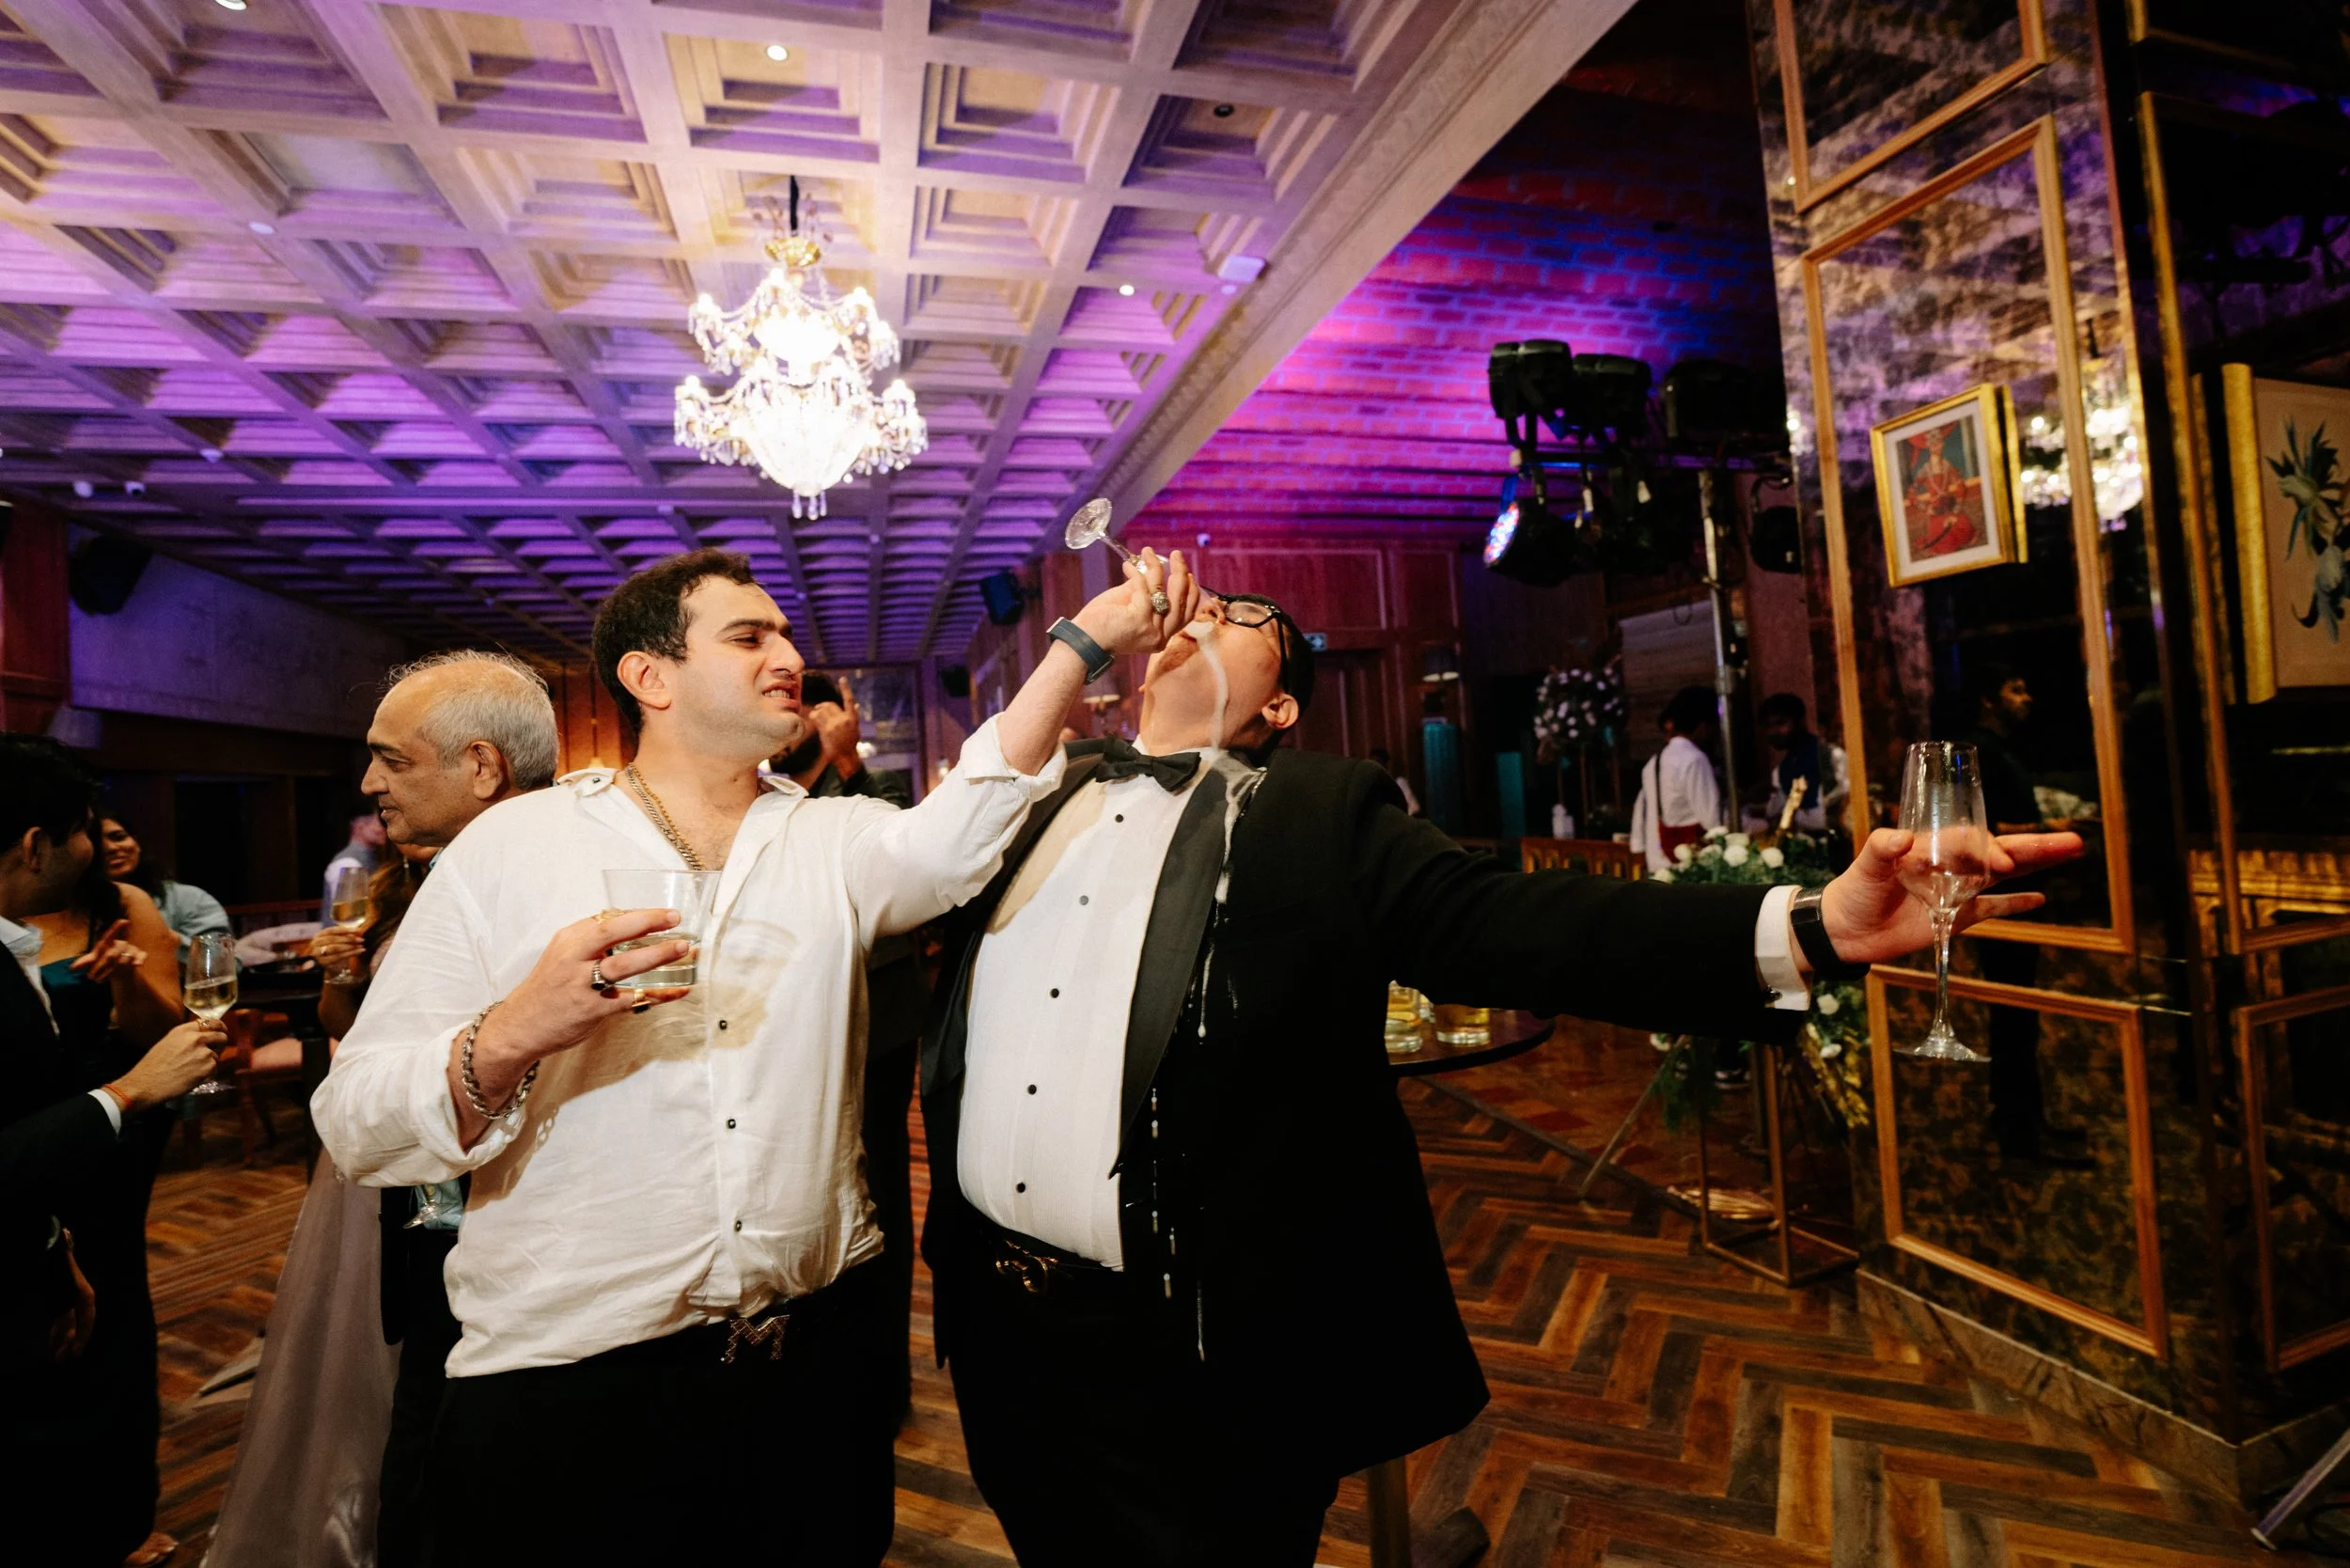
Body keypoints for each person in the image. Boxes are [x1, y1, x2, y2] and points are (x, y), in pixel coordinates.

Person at [916, 590, 2084, 1568]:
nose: (1202, 609)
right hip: (1001, 1338)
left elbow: (1529, 925)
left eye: (1241, 615)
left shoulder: (1319, 816)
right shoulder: (1022, 797)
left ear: (1279, 704)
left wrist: (1814, 926)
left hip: (1195, 1350)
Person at [312, 544, 1194, 1566]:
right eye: (748, 636)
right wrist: (516, 1027)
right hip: (571, 1388)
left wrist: (1081, 645)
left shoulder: (833, 839)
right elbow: (356, 1122)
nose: (788, 654)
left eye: (782, 632)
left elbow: (965, 824)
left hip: (808, 1371)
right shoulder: (509, 850)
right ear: (649, 678)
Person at [209, 651, 559, 1568]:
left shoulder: (548, 890)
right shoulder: (428, 882)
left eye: (391, 761)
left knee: (451, 1479)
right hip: (423, 1224)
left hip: (508, 1248)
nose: (369, 784)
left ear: (483, 767)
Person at [1, 736, 224, 1568]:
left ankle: (114, 1513)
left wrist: (127, 984)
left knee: (106, 1306)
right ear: (36, 842)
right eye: (83, 827)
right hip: (58, 1139)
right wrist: (123, 1094)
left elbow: (161, 1027)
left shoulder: (118, 905)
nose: (97, 844)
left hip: (87, 1163)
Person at [770, 673, 927, 1422]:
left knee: (881, 1195)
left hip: (881, 1030)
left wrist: (849, 760)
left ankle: (882, 1386)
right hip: (792, 1023)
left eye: (809, 705)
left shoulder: (877, 787)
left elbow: (909, 866)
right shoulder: (761, 789)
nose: (793, 717)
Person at [1959, 663, 2090, 1168]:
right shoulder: (1982, 751)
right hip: (2000, 897)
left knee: (2019, 1015)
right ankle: (2019, 1130)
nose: (2027, 697)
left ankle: (2021, 1118)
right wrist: (2051, 826)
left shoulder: (2007, 748)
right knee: (2012, 1014)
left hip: (2018, 893)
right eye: (2016, 688)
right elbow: (1979, 829)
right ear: (1989, 699)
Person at [99, 816, 230, 959]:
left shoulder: (188, 898)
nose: (111, 848)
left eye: (119, 837)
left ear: (136, 843)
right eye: (96, 843)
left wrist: (158, 936)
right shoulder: (77, 911)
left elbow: (225, 963)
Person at [1628, 684, 1725, 872]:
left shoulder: (1654, 761)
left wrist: (1638, 847)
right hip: (1687, 866)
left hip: (1659, 863)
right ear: (1704, 724)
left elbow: (1642, 810)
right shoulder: (1694, 759)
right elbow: (1712, 821)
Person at [1759, 695, 1850, 838]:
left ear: (1800, 721)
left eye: (1780, 723)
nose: (1774, 732)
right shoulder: (1782, 769)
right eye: (1768, 726)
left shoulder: (1830, 755)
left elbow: (1847, 803)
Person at [320, 810, 387, 924]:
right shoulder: (348, 863)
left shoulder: (374, 859)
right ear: (360, 826)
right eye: (380, 823)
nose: (385, 829)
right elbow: (350, 919)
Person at [1367, 745, 1422, 815]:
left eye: (1378, 762)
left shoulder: (1399, 783)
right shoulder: (1368, 786)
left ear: (1385, 764)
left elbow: (1415, 808)